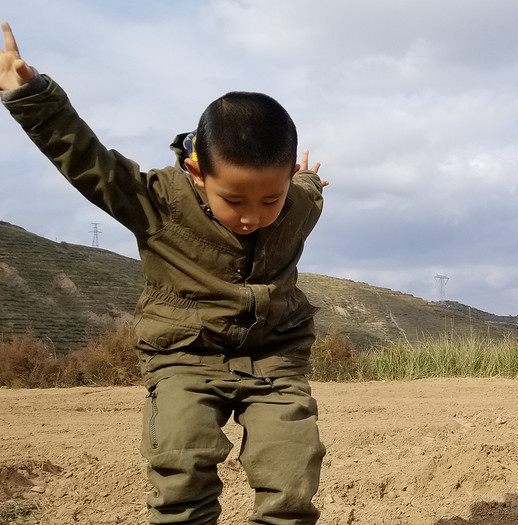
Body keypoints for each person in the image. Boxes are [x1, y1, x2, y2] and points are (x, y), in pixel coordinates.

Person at [2, 22, 329, 524]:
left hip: (274, 359)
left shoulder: (299, 203)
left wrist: (307, 181)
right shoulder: (157, 200)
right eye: (234, 200)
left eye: (270, 198)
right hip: (184, 357)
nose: (251, 215)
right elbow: (90, 165)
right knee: (181, 462)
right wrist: (32, 97)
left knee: (291, 475)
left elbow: (308, 189)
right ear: (198, 172)